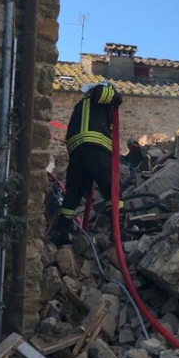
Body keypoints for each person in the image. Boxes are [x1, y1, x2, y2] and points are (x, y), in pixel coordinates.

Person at [54, 81, 123, 245]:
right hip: (95, 148)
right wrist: (117, 96)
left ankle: (61, 233)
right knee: (111, 189)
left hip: (77, 152)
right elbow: (104, 93)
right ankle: (118, 233)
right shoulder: (97, 95)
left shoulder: (82, 105)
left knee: (74, 193)